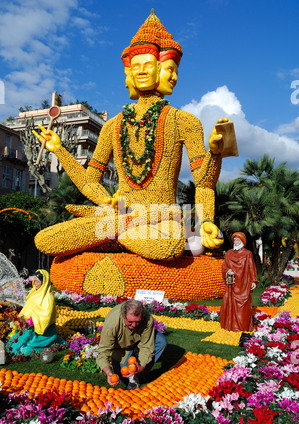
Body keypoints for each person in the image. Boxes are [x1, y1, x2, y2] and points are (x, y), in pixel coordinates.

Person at [32, 10, 231, 269]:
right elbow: (91, 184)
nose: (173, 76)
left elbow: (204, 184)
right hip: (121, 215)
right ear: (130, 72)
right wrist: (59, 151)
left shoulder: (185, 121)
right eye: (138, 67)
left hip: (163, 220)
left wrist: (214, 159)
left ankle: (112, 240)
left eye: (154, 67)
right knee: (47, 240)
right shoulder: (113, 125)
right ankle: (121, 236)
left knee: (169, 244)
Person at [96, 299, 167, 389]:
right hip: (121, 348)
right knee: (122, 380)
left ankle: (139, 375)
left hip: (138, 340)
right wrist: (109, 373)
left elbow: (147, 346)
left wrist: (141, 366)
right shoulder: (112, 323)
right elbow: (103, 351)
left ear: (142, 316)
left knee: (161, 341)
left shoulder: (147, 319)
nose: (134, 325)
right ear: (123, 315)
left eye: (137, 322)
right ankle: (133, 358)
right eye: (130, 322)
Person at [7, 269, 64, 356]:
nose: (35, 283)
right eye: (34, 281)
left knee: (25, 349)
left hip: (44, 332)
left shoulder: (48, 297)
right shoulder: (34, 293)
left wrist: (33, 321)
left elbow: (46, 317)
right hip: (31, 328)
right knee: (13, 343)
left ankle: (52, 342)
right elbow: (28, 308)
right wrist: (22, 318)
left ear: (43, 282)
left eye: (37, 281)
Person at [220, 232, 258, 346]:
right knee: (230, 305)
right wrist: (227, 271)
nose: (236, 242)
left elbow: (252, 267)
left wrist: (253, 281)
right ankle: (230, 325)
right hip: (232, 284)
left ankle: (242, 326)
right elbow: (224, 267)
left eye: (238, 240)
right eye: (234, 240)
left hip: (244, 284)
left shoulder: (248, 254)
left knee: (243, 307)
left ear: (243, 242)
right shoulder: (229, 254)